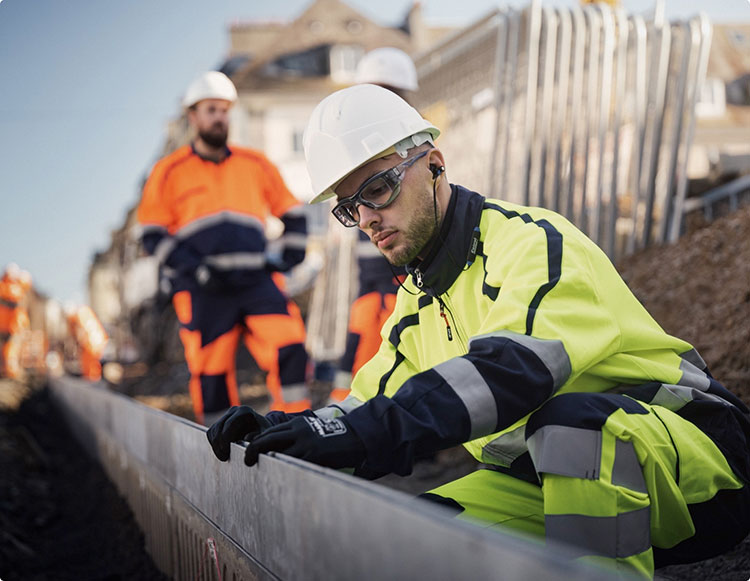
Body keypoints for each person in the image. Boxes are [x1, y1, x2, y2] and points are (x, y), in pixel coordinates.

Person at [206, 84, 750, 578]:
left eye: (377, 188)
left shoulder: (531, 243)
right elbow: (373, 401)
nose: (367, 217)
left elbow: (512, 371)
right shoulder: (418, 301)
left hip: (698, 466)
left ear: (435, 165)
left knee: (573, 425)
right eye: (351, 208)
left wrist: (364, 433)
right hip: (547, 480)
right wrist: (293, 430)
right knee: (416, 540)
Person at [137, 71, 310, 425]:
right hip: (203, 288)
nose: (219, 117)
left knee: (290, 347)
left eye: (225, 110)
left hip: (256, 281)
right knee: (210, 372)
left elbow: (293, 211)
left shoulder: (255, 164)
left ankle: (299, 431)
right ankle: (222, 446)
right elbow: (151, 234)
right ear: (193, 117)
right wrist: (193, 268)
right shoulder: (169, 172)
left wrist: (291, 254)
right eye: (211, 109)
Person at [330, 47, 419, 401]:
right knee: (363, 341)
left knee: (405, 343)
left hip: (408, 270)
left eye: (389, 92)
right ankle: (347, 411)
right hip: (371, 273)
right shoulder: (350, 145)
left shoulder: (416, 142)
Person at [0, 263, 31, 379]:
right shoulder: (11, 288)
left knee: (11, 351)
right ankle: (10, 372)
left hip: (12, 326)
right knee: (10, 351)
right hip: (11, 326)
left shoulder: (12, 288)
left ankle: (11, 373)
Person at [65, 303, 108, 381]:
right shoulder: (85, 313)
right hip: (96, 342)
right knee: (92, 364)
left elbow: (81, 332)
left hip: (91, 344)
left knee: (90, 365)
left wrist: (77, 343)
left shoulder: (79, 315)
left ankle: (92, 380)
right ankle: (93, 380)